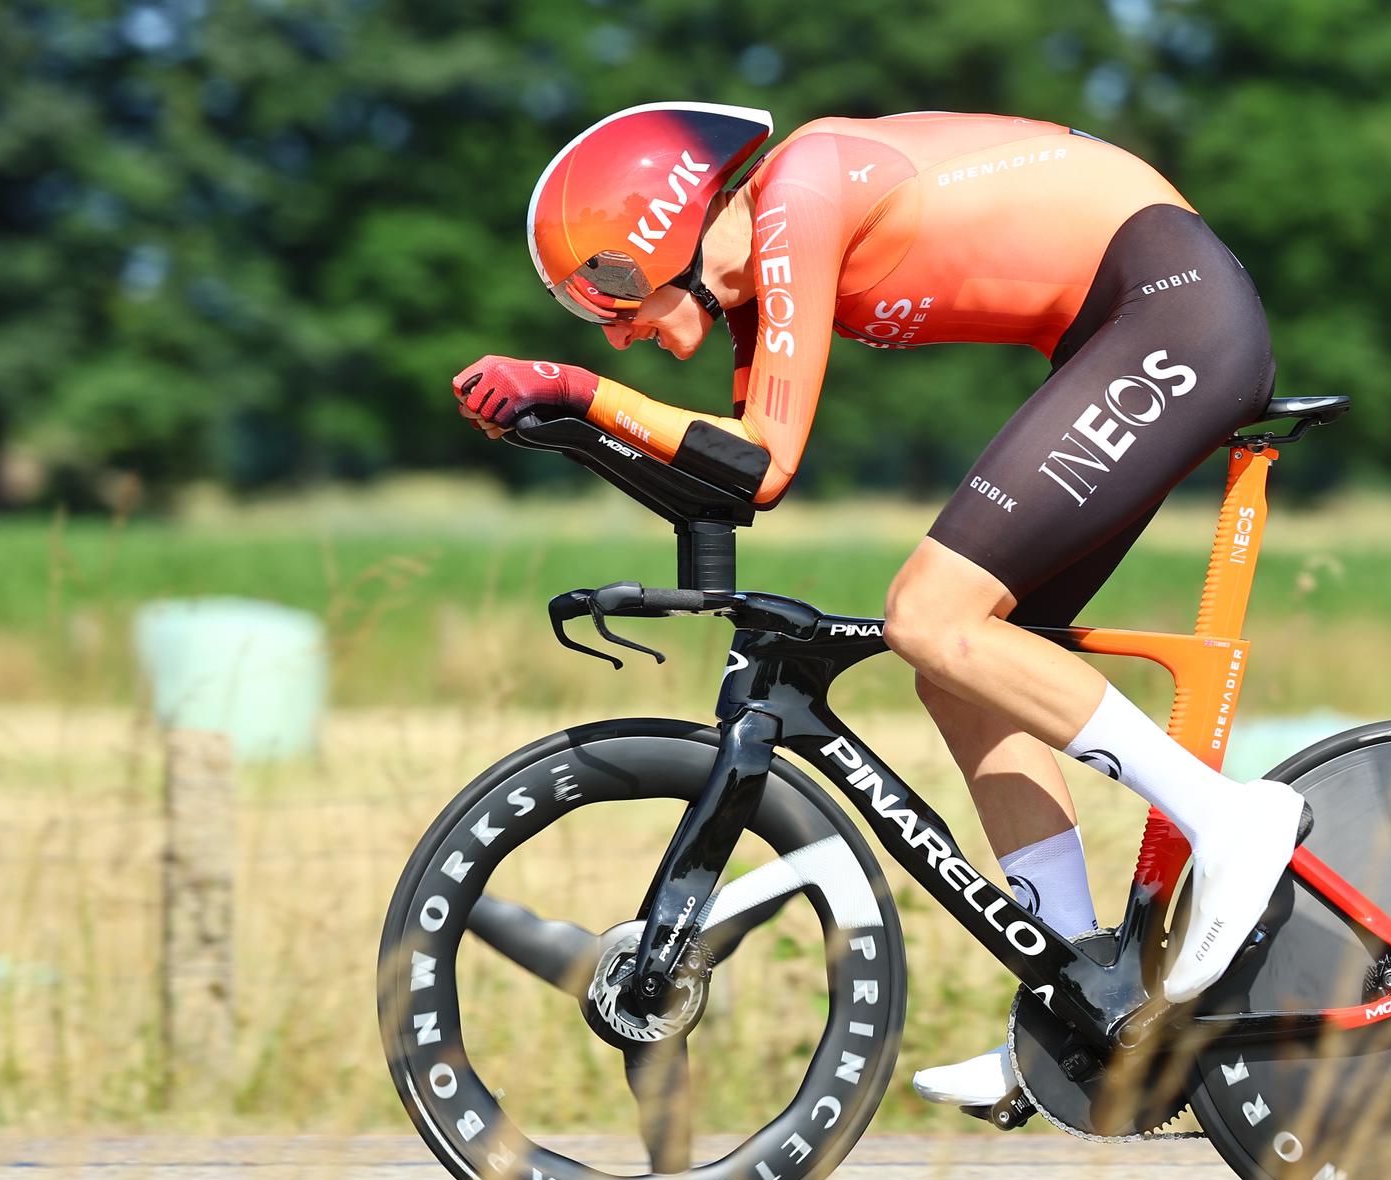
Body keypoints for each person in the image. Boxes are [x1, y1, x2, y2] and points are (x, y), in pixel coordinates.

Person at [453, 102, 1310, 1110]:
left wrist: (577, 388)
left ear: (657, 233)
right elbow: (730, 476)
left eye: (617, 302)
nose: (631, 334)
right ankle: (1086, 998)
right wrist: (568, 426)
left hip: (1173, 312)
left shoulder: (801, 191)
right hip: (1129, 328)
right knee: (960, 667)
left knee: (928, 616)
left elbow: (761, 462)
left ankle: (1229, 818)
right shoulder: (753, 287)